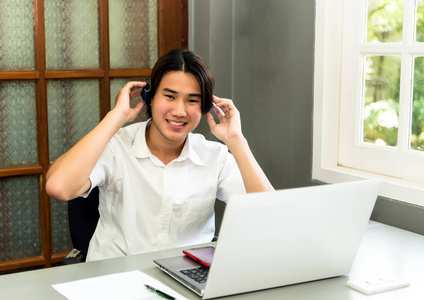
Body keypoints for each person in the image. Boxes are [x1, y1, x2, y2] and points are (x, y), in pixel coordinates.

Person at [46, 49, 274, 261]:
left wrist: (236, 141)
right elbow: (59, 187)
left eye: (192, 100)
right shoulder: (117, 146)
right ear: (150, 97)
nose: (180, 111)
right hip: (115, 278)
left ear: (205, 107)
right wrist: (116, 117)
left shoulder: (215, 157)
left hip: (185, 279)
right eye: (170, 96)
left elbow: (270, 216)